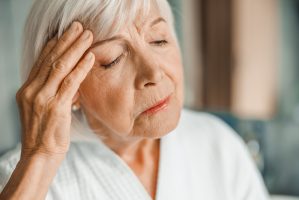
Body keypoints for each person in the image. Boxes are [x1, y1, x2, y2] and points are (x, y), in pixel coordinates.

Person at [0, 0, 269, 199]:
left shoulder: (217, 145)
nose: (153, 72)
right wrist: (40, 158)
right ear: (68, 88)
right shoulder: (23, 177)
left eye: (159, 40)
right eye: (114, 59)